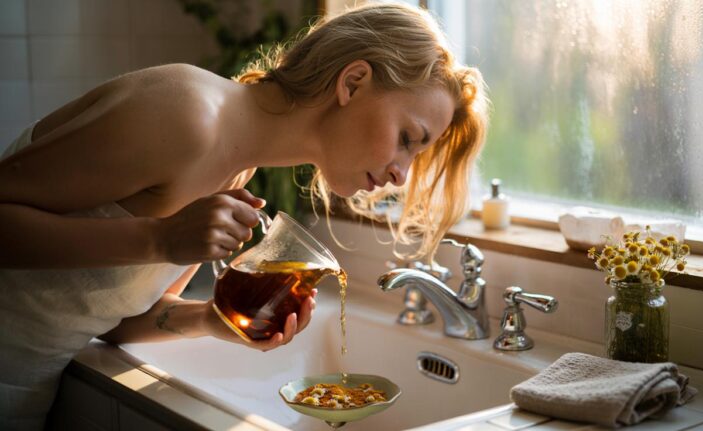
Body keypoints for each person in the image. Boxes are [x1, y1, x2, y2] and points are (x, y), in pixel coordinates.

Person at [0, 3, 488, 429]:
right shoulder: (184, 114)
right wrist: (159, 240)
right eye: (407, 138)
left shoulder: (239, 167)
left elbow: (113, 322)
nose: (402, 174)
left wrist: (214, 321)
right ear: (353, 82)